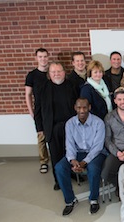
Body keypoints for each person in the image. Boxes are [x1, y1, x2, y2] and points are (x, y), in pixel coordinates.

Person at [55, 98, 106, 216]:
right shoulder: (70, 123)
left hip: (95, 153)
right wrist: (73, 160)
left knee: (93, 169)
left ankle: (93, 199)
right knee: (59, 168)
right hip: (77, 152)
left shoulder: (98, 123)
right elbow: (69, 144)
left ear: (89, 108)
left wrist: (84, 162)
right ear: (75, 108)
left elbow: (98, 147)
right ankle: (70, 200)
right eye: (79, 108)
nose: (82, 110)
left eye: (84, 107)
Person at [38, 62, 78, 190]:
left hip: (70, 127)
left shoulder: (72, 86)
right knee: (56, 155)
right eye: (53, 72)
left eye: (59, 71)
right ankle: (58, 180)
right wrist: (40, 129)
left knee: (71, 153)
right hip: (52, 127)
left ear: (64, 72)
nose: (57, 74)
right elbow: (38, 110)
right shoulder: (43, 88)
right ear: (49, 74)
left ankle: (72, 173)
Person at [24, 47, 50, 174]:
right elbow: (28, 94)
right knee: (41, 137)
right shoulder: (32, 75)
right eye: (40, 57)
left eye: (45, 56)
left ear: (48, 57)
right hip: (39, 110)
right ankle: (43, 162)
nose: (43, 59)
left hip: (52, 109)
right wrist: (31, 112)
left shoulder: (52, 72)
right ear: (36, 58)